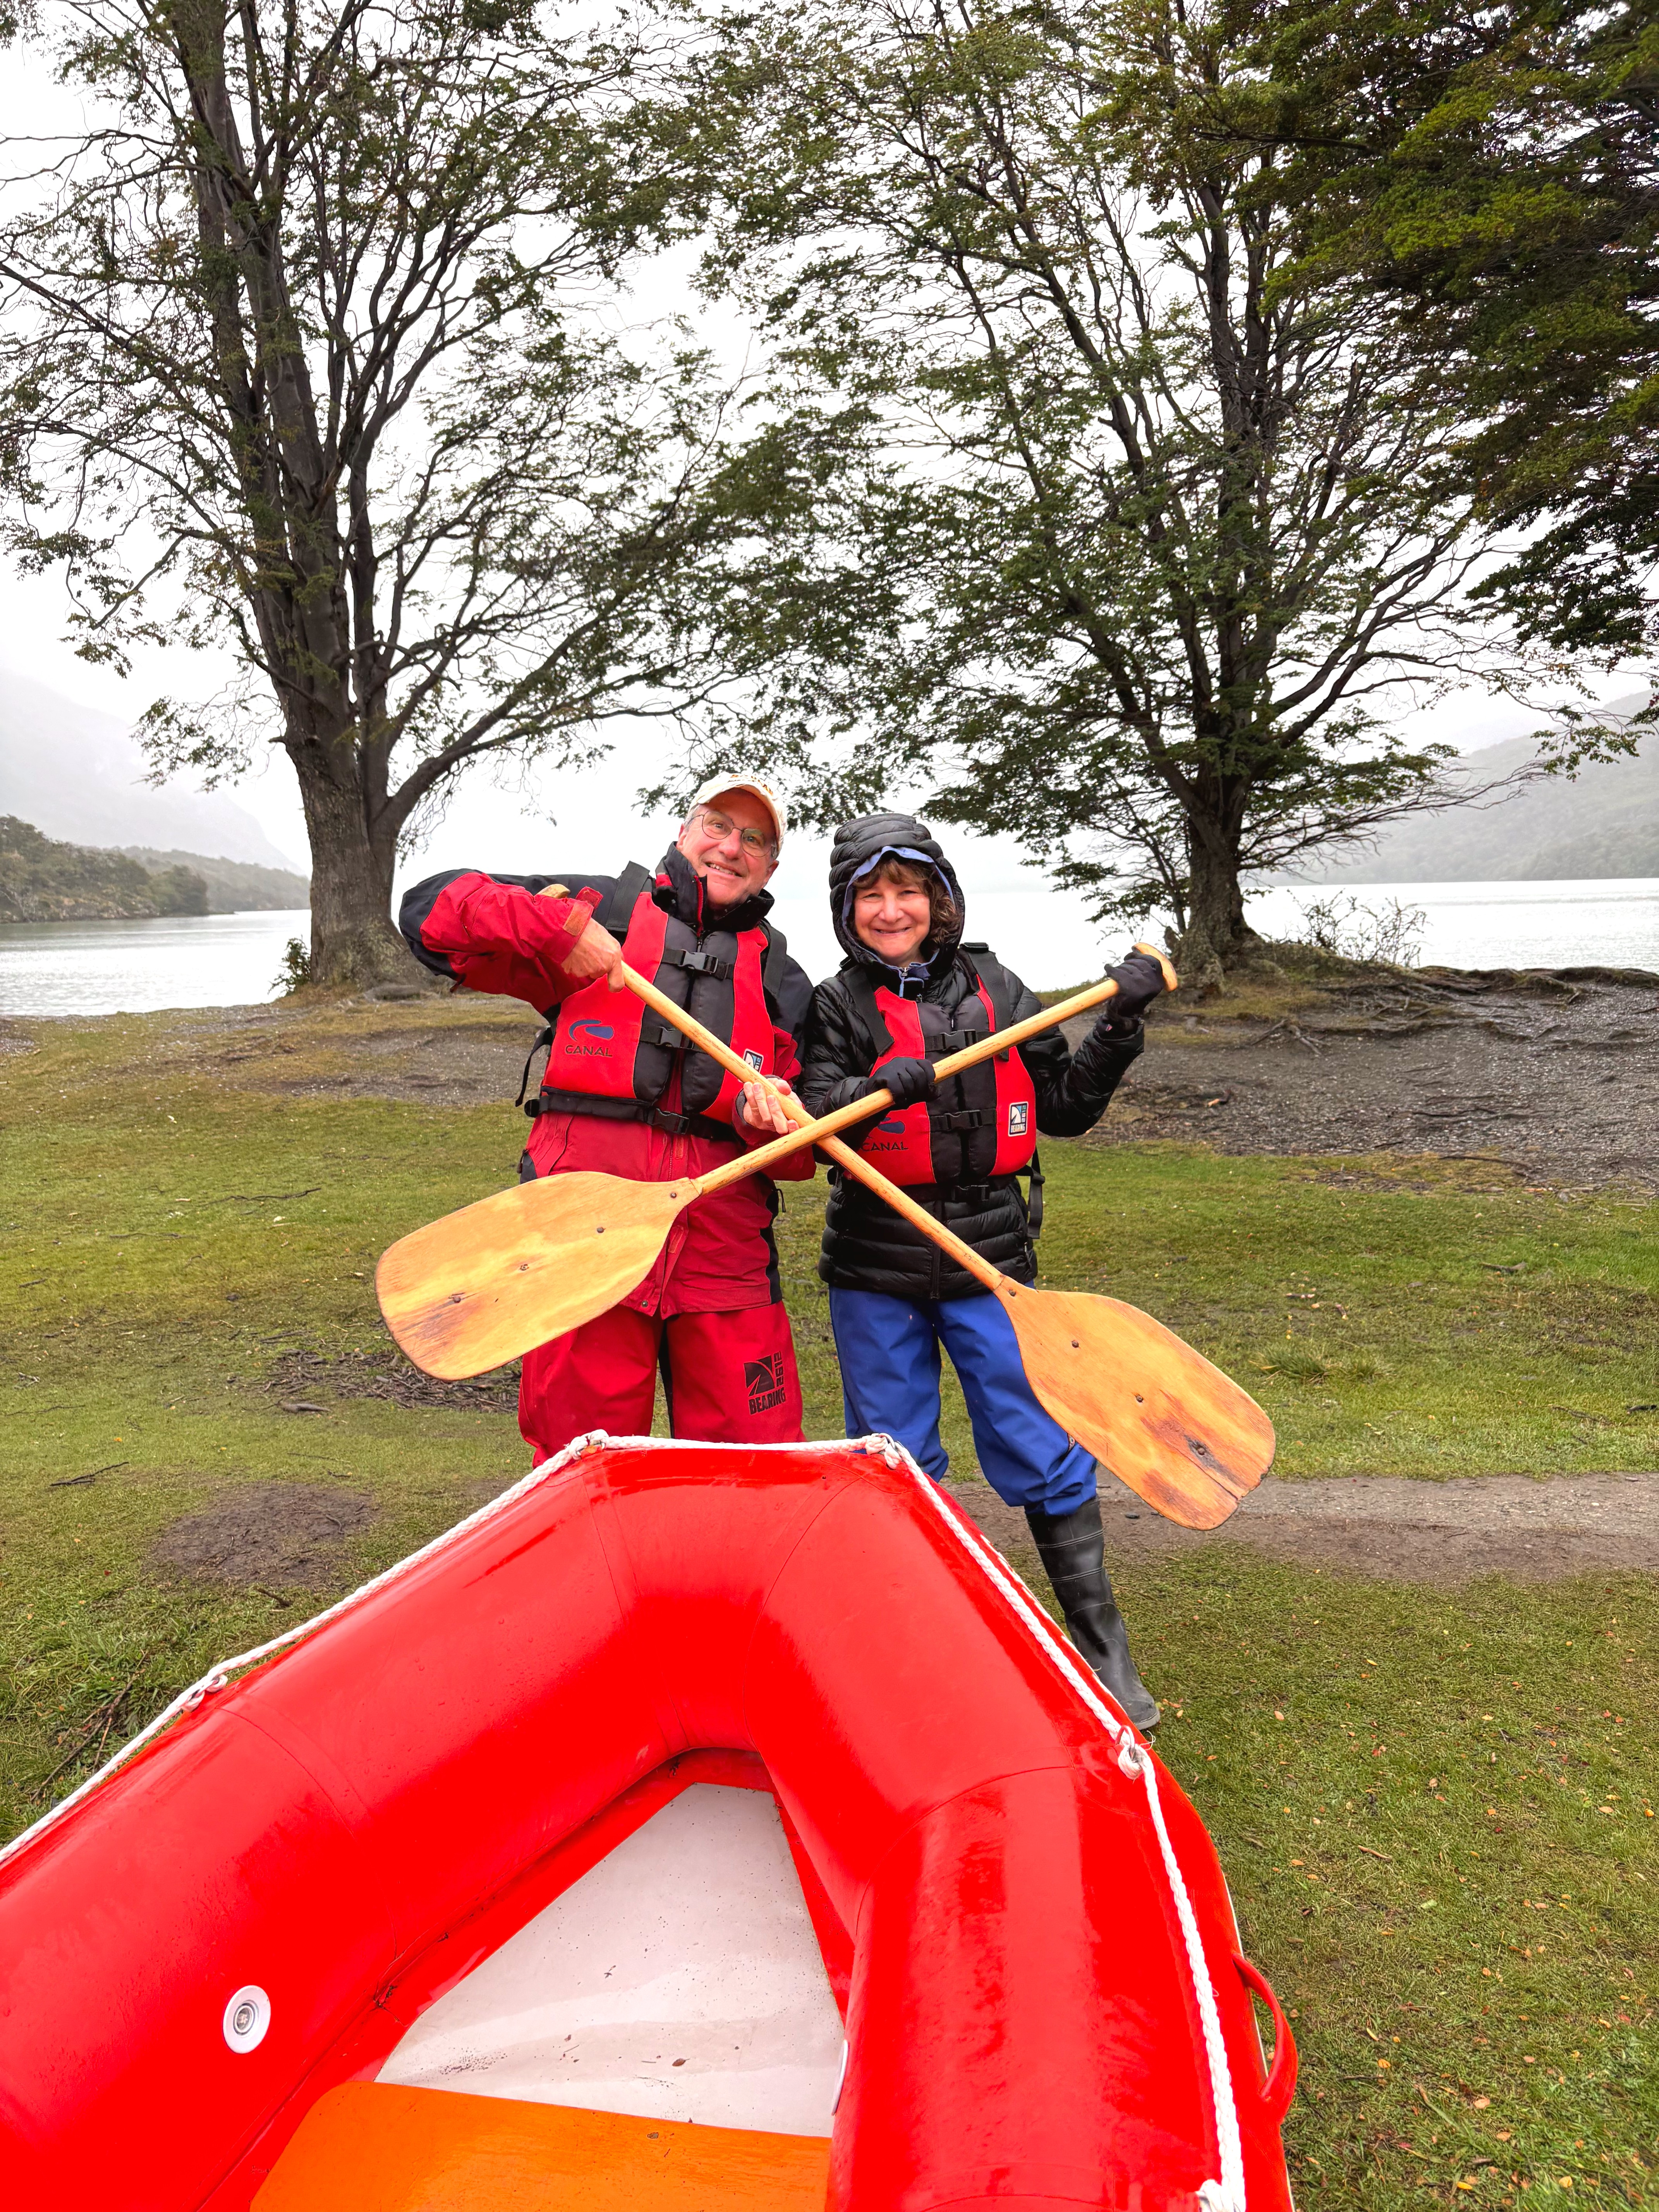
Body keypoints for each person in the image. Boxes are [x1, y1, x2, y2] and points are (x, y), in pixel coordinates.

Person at [797, 812, 1170, 1729]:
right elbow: (807, 1112)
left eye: (908, 891)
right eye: (871, 896)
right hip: (874, 1267)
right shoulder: (835, 1003)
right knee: (893, 1461)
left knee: (1041, 1443)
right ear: (848, 911)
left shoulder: (1000, 988)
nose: (891, 910)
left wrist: (1120, 1023)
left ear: (940, 898)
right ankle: (917, 1642)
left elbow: (1065, 1110)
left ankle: (1100, 1644)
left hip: (992, 1261)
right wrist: (875, 1088)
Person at [399, 777, 814, 1462]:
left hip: (725, 1255)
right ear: (685, 832)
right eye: (718, 825)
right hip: (580, 1237)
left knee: (754, 1460)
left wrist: (769, 1122)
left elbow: (802, 1159)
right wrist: (558, 929)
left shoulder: (785, 983)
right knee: (580, 1458)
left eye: (755, 840)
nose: (731, 848)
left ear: (770, 866)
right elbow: (429, 911)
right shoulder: (603, 911)